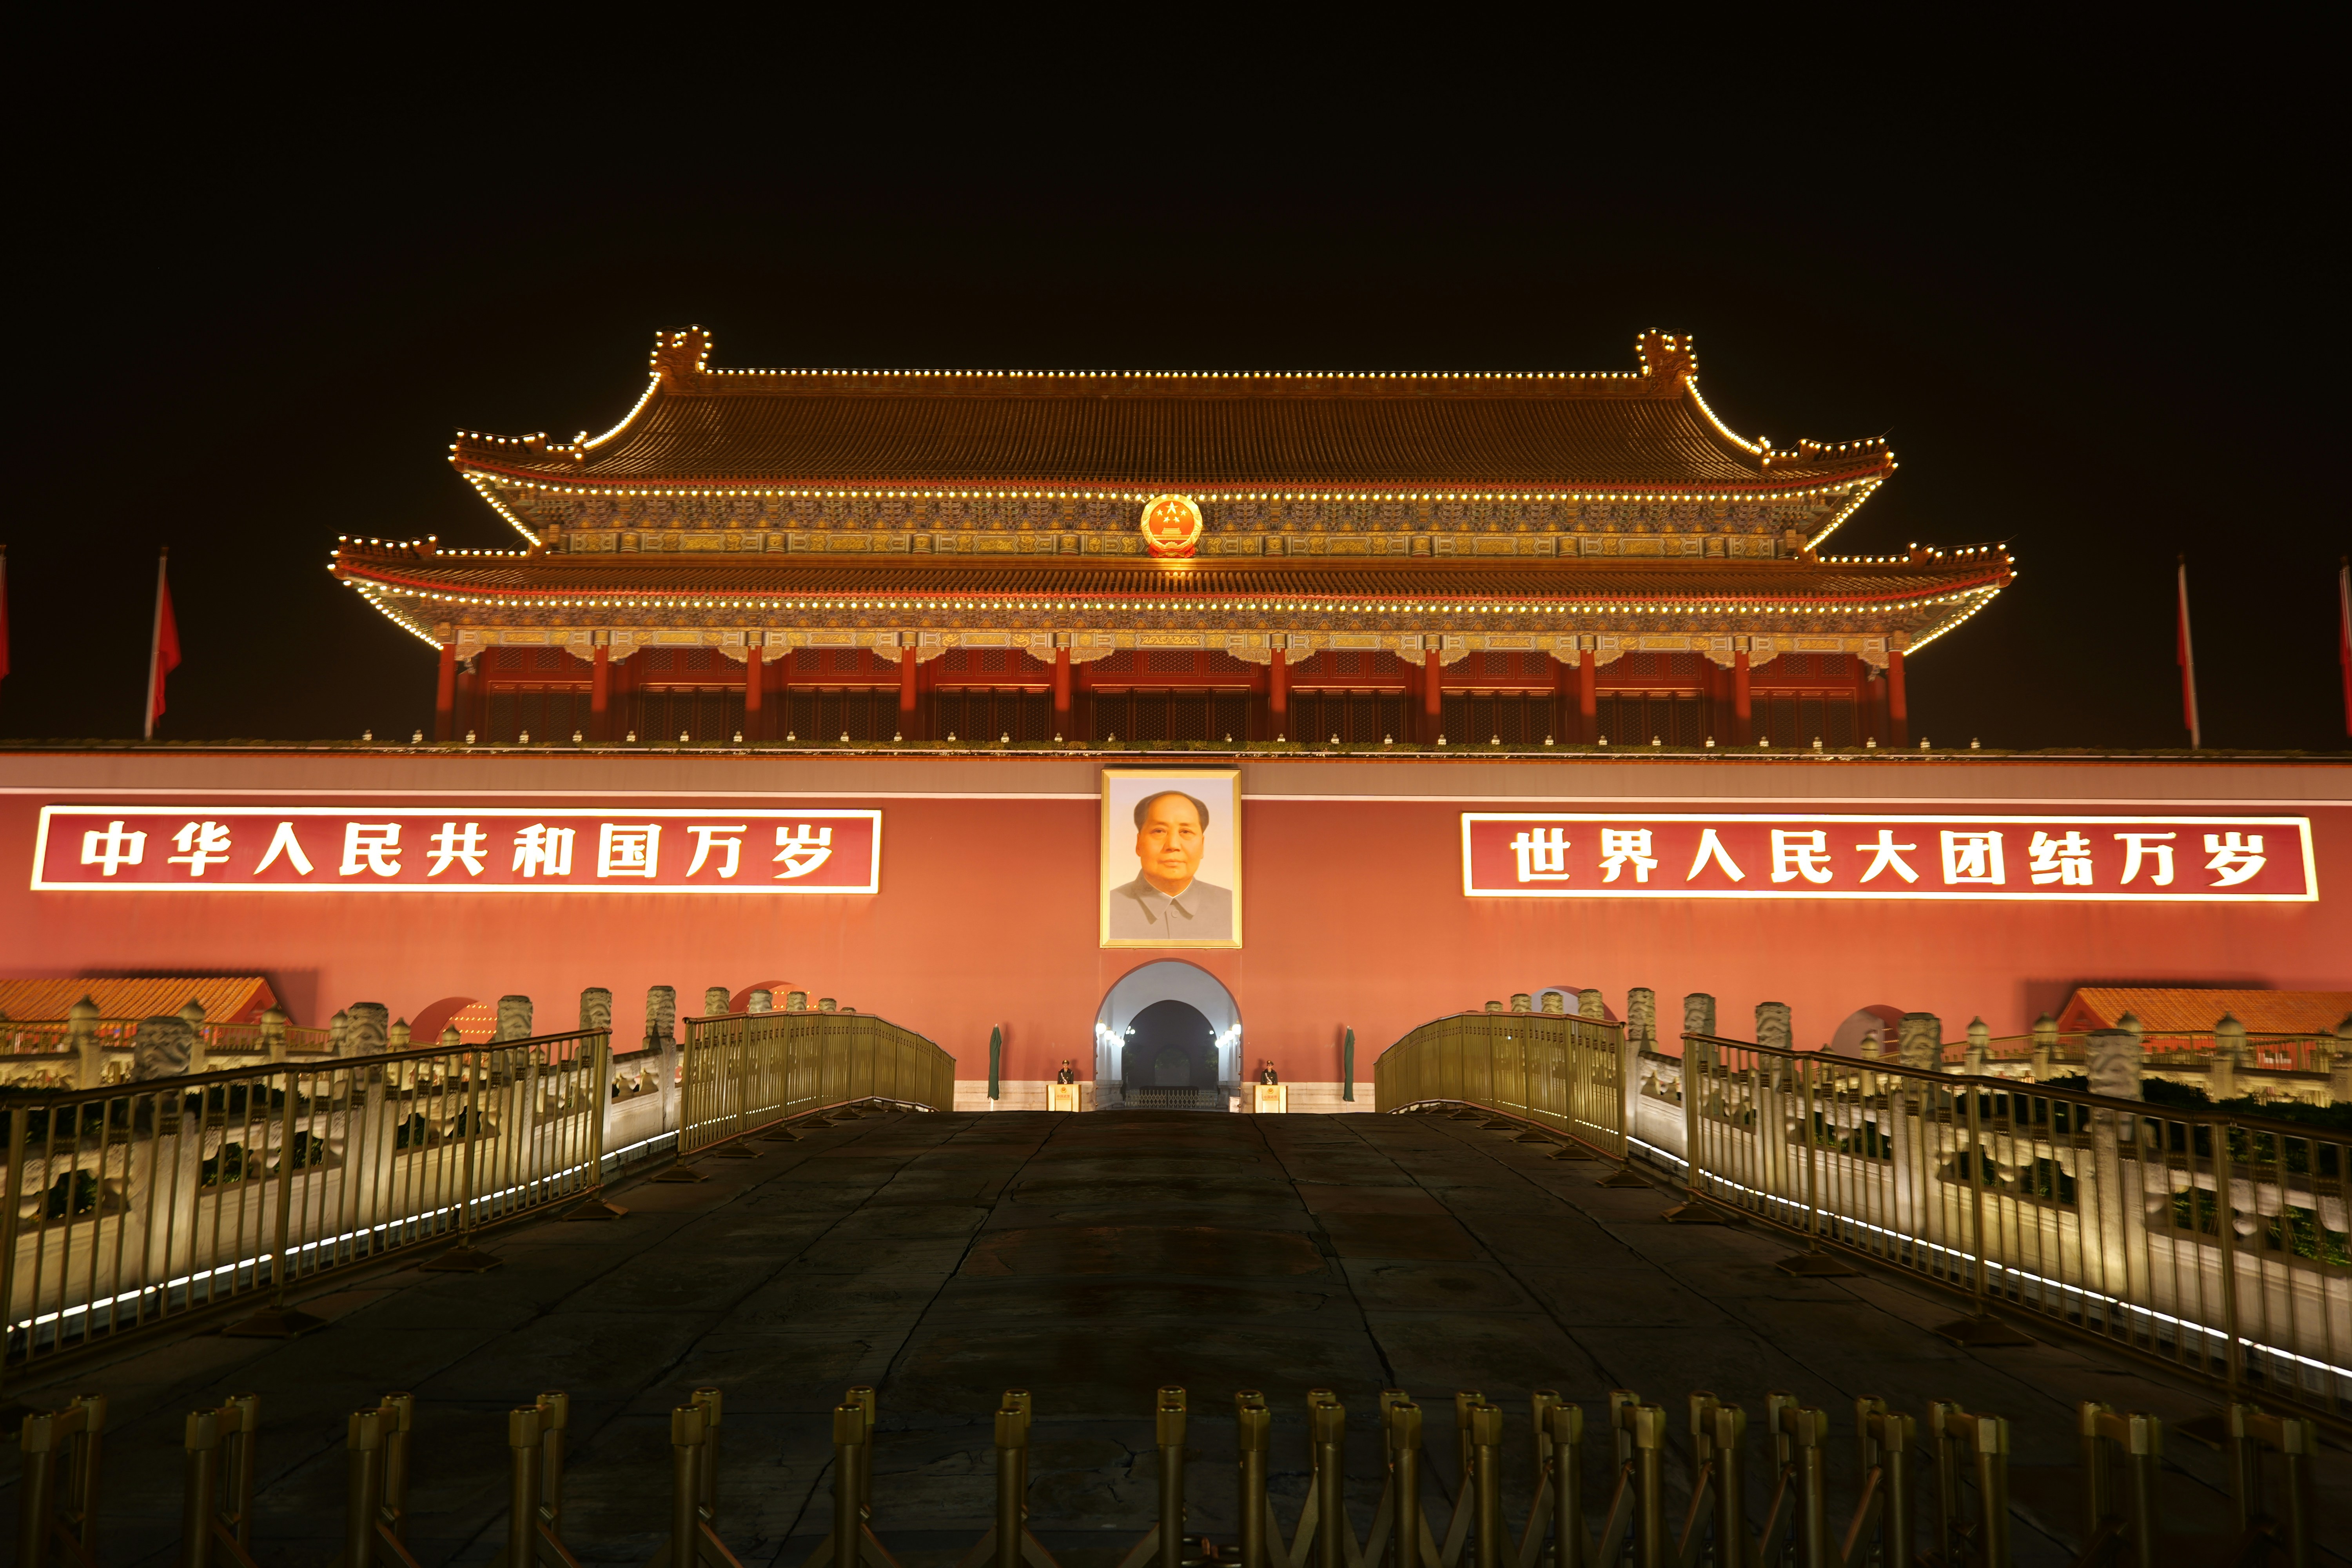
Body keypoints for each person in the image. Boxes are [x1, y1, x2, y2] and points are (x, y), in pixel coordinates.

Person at [1106, 789, 1234, 942]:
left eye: (1186, 832)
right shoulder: (1107, 907)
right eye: (1159, 831)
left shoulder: (1233, 907)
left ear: (1202, 845)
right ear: (1139, 844)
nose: (1173, 845)